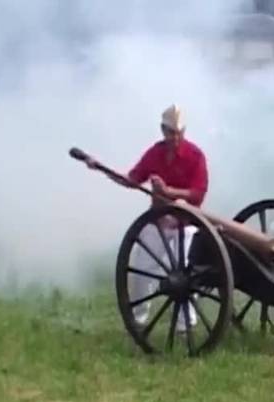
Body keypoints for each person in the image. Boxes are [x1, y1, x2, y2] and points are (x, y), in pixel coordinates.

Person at [87, 105, 208, 329]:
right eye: (171, 132)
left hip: (186, 224)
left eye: (179, 132)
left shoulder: (195, 155)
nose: (175, 137)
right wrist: (102, 169)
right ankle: (138, 319)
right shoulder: (154, 154)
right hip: (158, 223)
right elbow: (132, 180)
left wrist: (168, 191)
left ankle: (185, 324)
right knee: (141, 271)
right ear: (163, 130)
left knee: (186, 274)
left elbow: (198, 193)